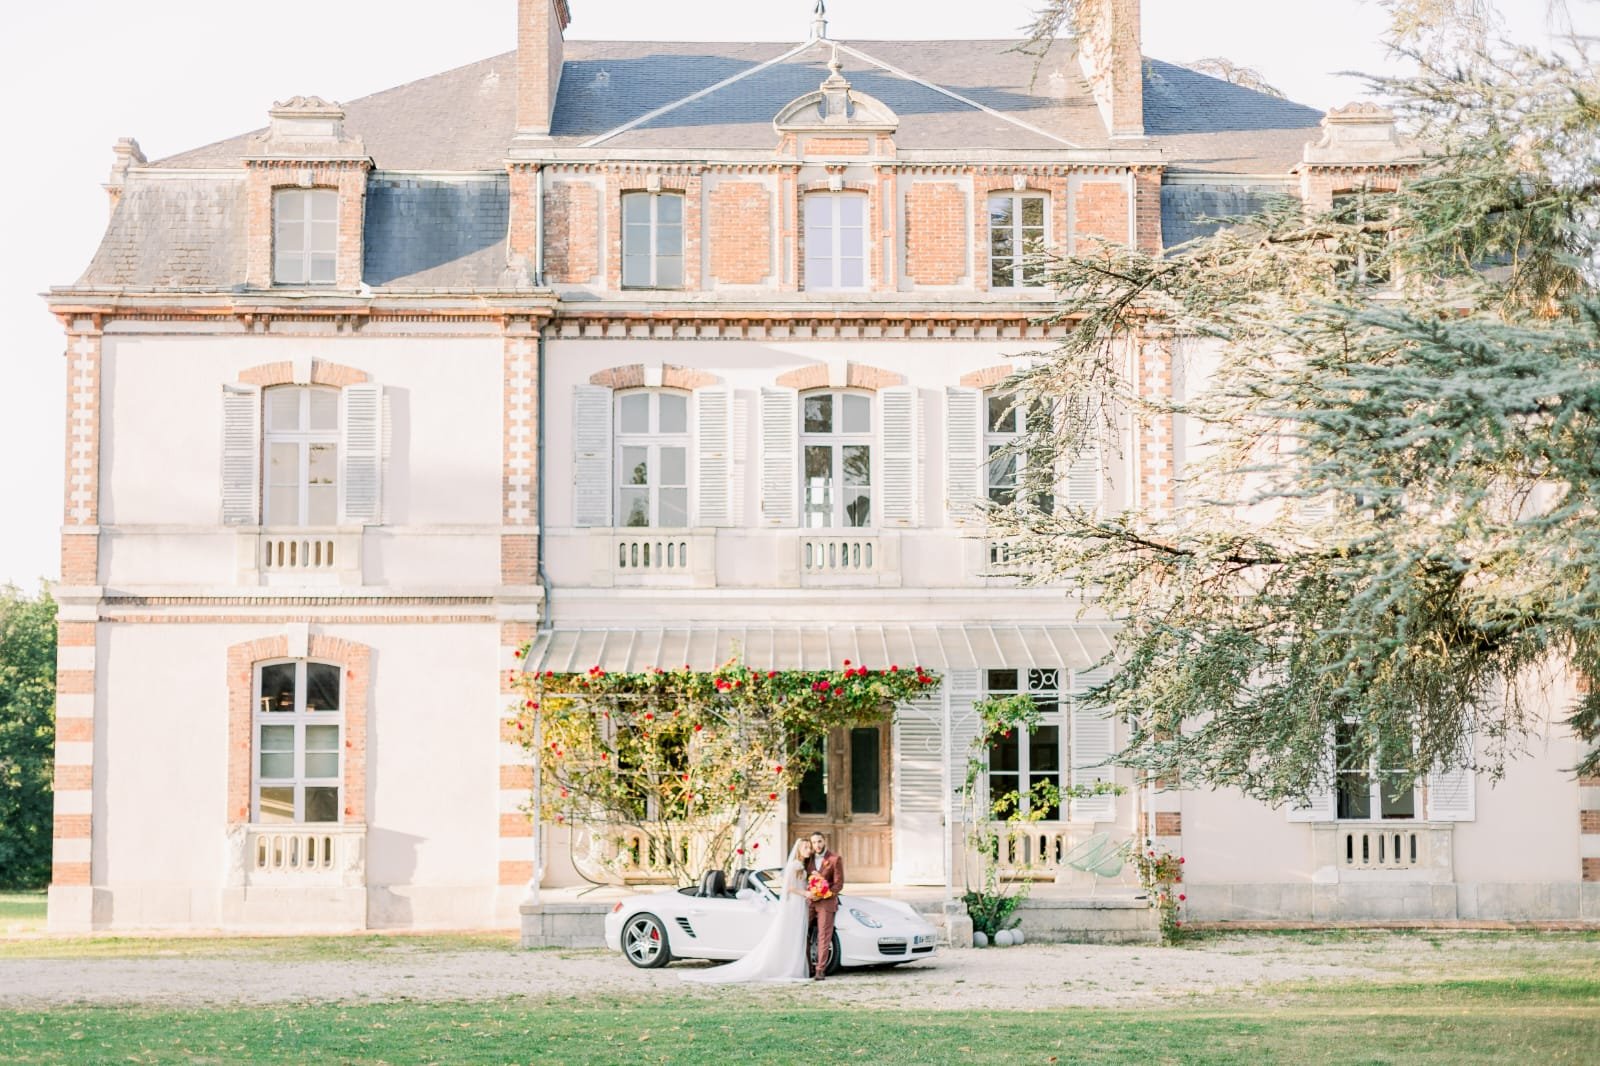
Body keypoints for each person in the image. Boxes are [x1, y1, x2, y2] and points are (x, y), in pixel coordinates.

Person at [679, 839, 812, 984]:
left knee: (795, 937)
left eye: (809, 847)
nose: (809, 849)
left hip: (799, 904)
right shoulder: (794, 866)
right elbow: (788, 888)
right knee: (788, 937)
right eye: (806, 847)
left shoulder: (801, 866)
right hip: (793, 904)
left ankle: (791, 967)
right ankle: (786, 968)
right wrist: (805, 893)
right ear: (798, 849)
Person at [806, 831, 844, 981]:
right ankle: (807, 967)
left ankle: (820, 970)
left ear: (824, 841)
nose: (817, 845)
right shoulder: (807, 859)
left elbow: (838, 884)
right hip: (809, 902)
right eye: (814, 842)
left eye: (819, 841)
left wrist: (823, 893)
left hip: (826, 903)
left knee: (824, 936)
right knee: (802, 933)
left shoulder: (835, 859)